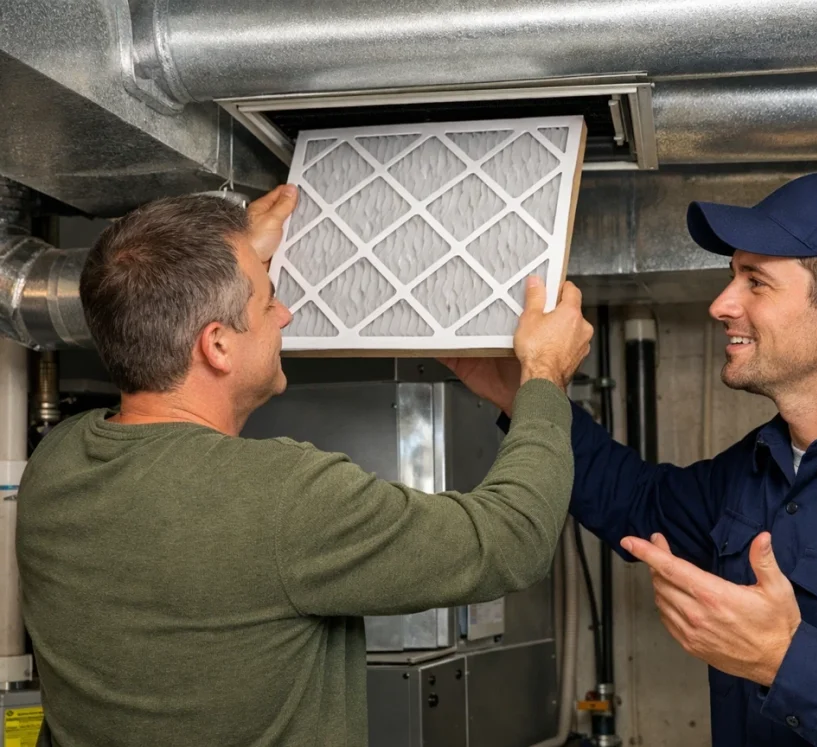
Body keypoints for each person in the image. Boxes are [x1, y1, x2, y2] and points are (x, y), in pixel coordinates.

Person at [450, 172, 817, 746]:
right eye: (732, 277)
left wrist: (787, 662)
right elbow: (636, 500)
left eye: (756, 282)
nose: (721, 305)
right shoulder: (756, 465)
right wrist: (525, 391)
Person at [15, 184, 593, 747]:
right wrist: (544, 376)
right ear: (217, 345)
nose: (285, 314)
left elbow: (157, 291)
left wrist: (227, 255)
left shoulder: (55, 466)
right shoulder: (281, 498)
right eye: (269, 298)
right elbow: (512, 539)